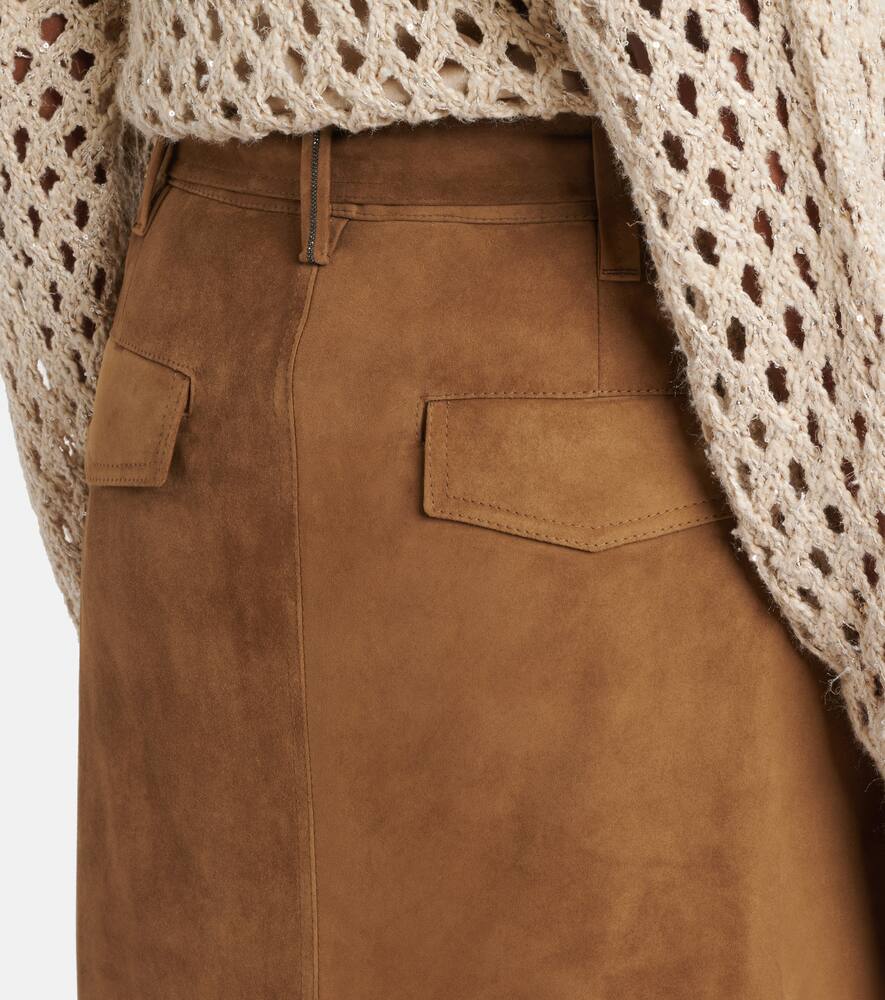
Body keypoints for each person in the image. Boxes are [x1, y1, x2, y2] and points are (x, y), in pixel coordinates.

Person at [1, 2, 883, 997]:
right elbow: (699, 52)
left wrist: (124, 473)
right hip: (599, 343)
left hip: (190, 355)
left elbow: (35, 54)